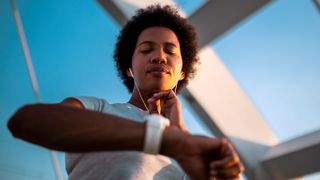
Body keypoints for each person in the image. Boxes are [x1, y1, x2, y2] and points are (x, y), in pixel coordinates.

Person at [8, 4, 244, 180]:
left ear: (183, 71)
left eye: (170, 51)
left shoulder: (194, 150)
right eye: (146, 49)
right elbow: (27, 121)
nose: (159, 56)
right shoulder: (98, 109)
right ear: (129, 69)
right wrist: (163, 140)